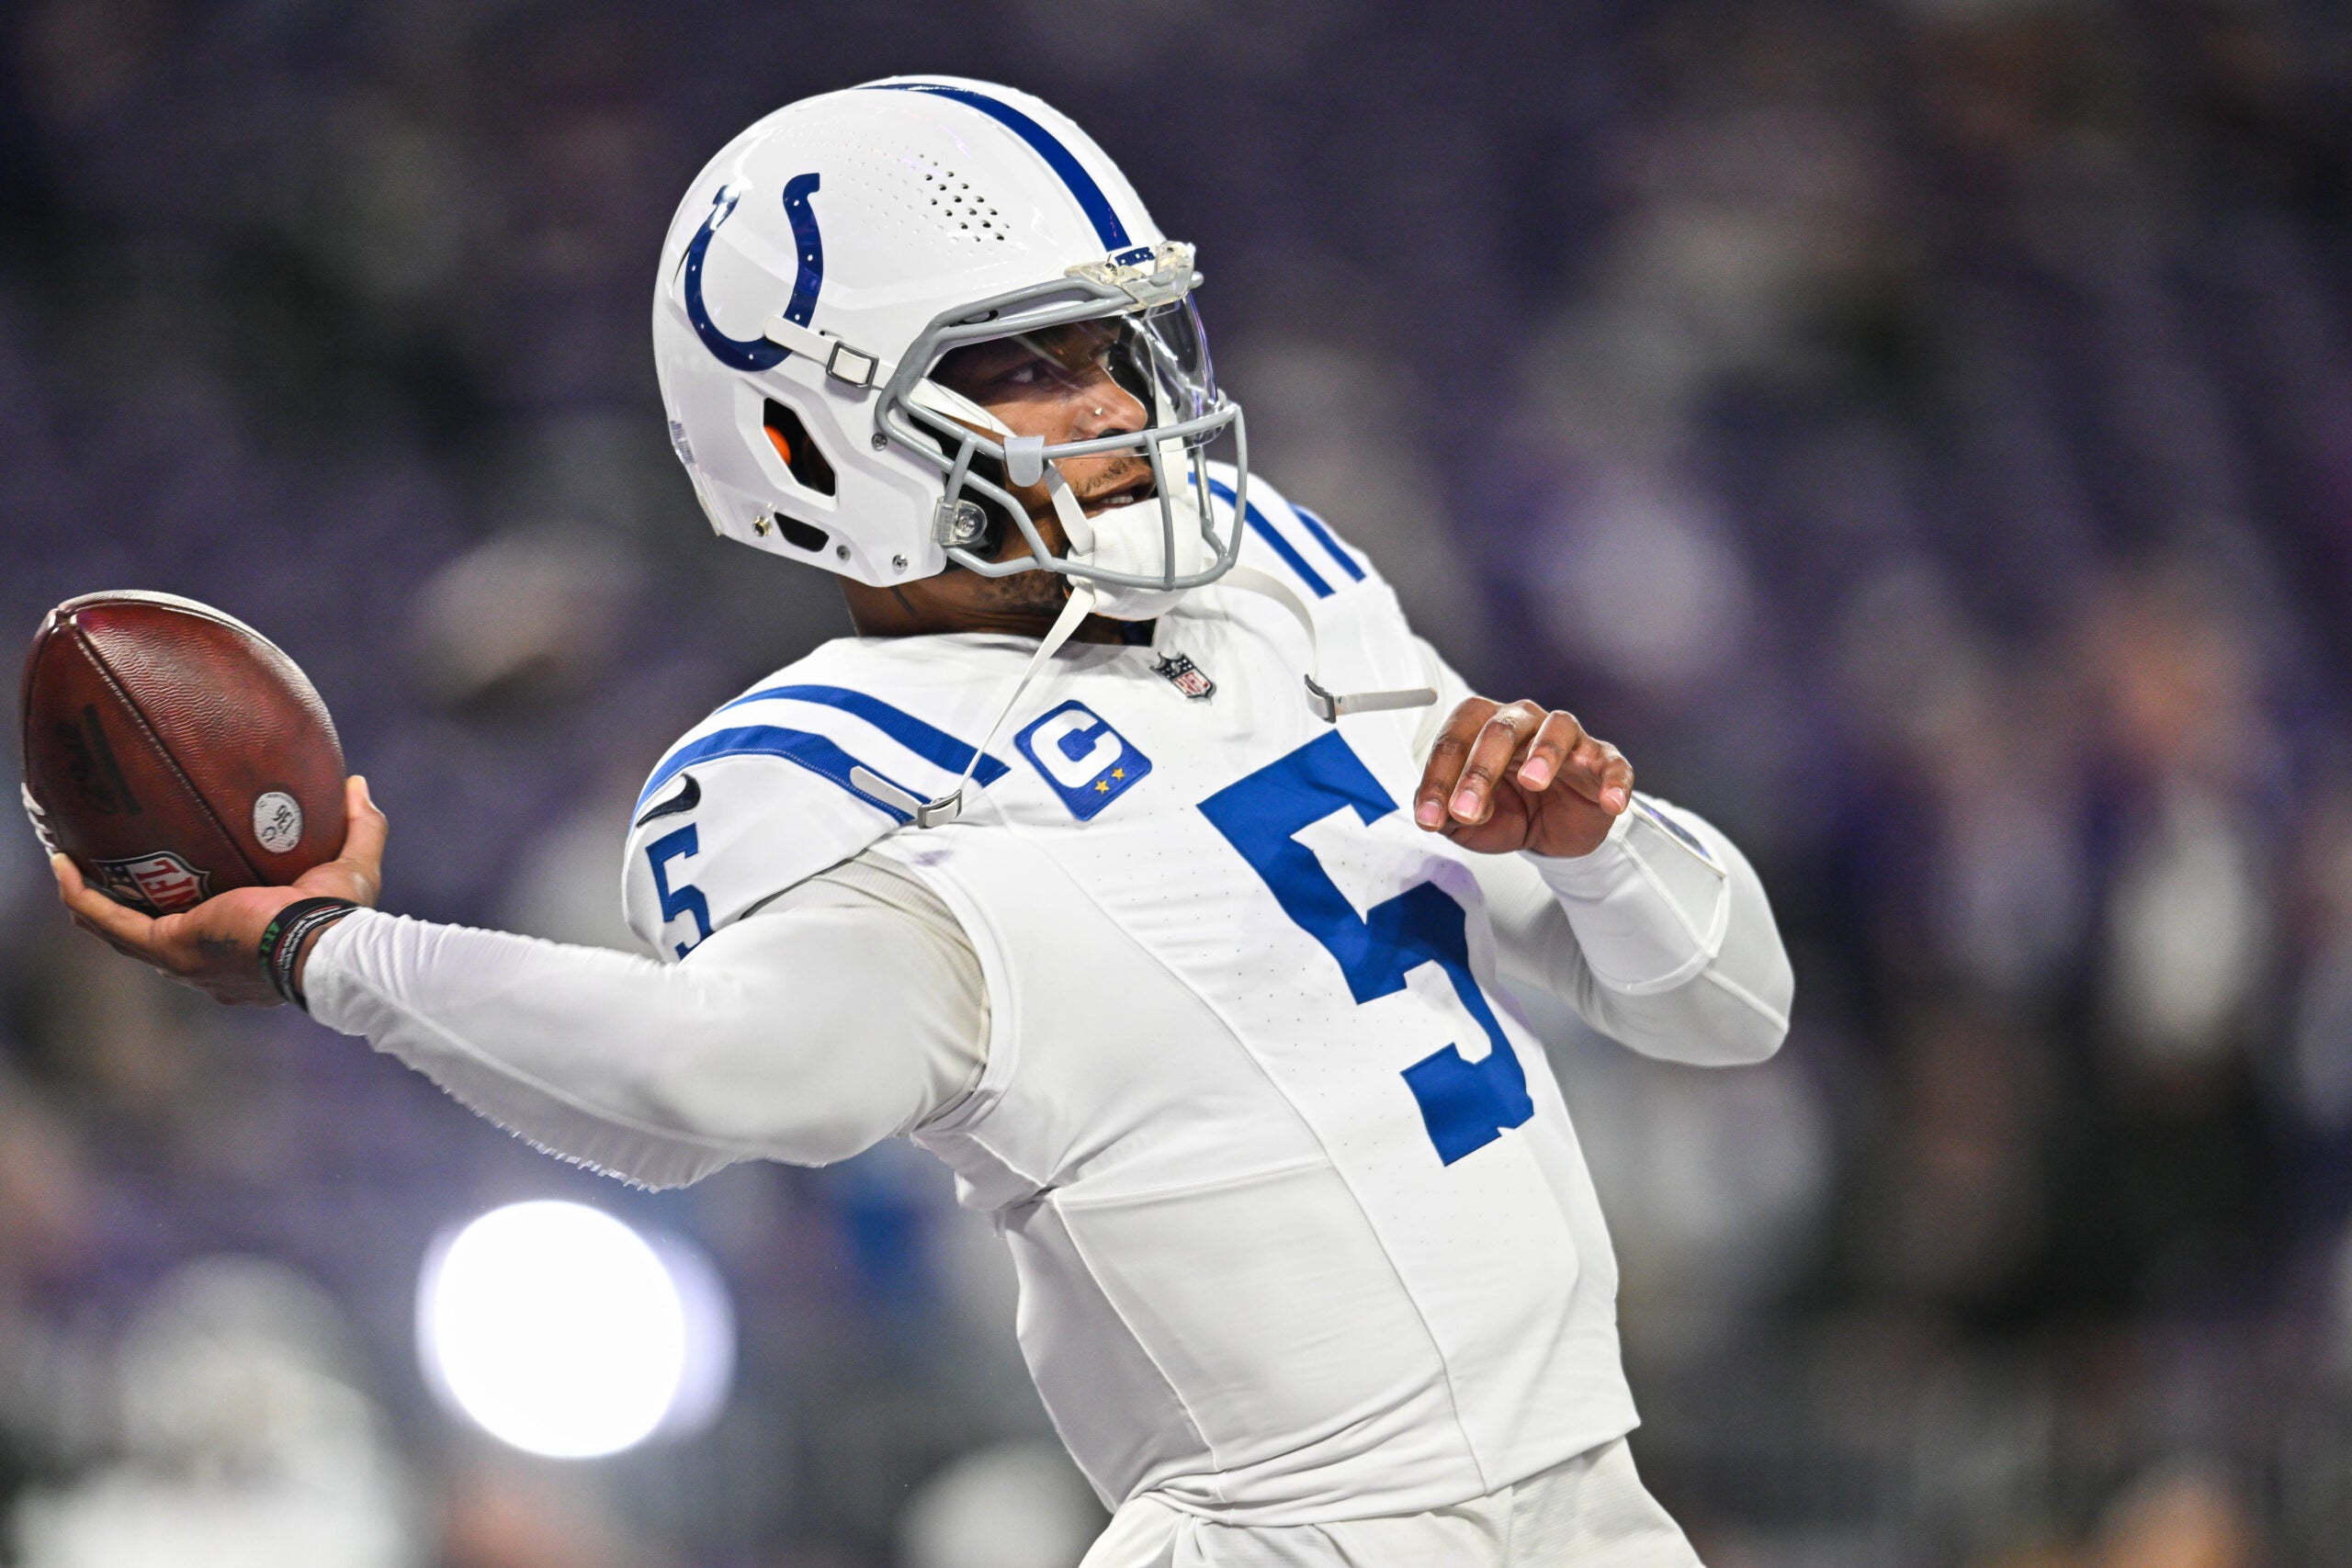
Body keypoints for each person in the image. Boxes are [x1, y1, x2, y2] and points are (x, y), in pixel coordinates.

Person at [51, 78, 1793, 1566]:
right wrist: (329, 952)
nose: (1116, 405)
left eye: (1113, 344)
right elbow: (733, 1083)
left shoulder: (1275, 582)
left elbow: (1730, 1009)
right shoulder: (825, 767)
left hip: (1597, 1506)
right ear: (806, 441)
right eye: (1024, 363)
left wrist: (1602, 847)